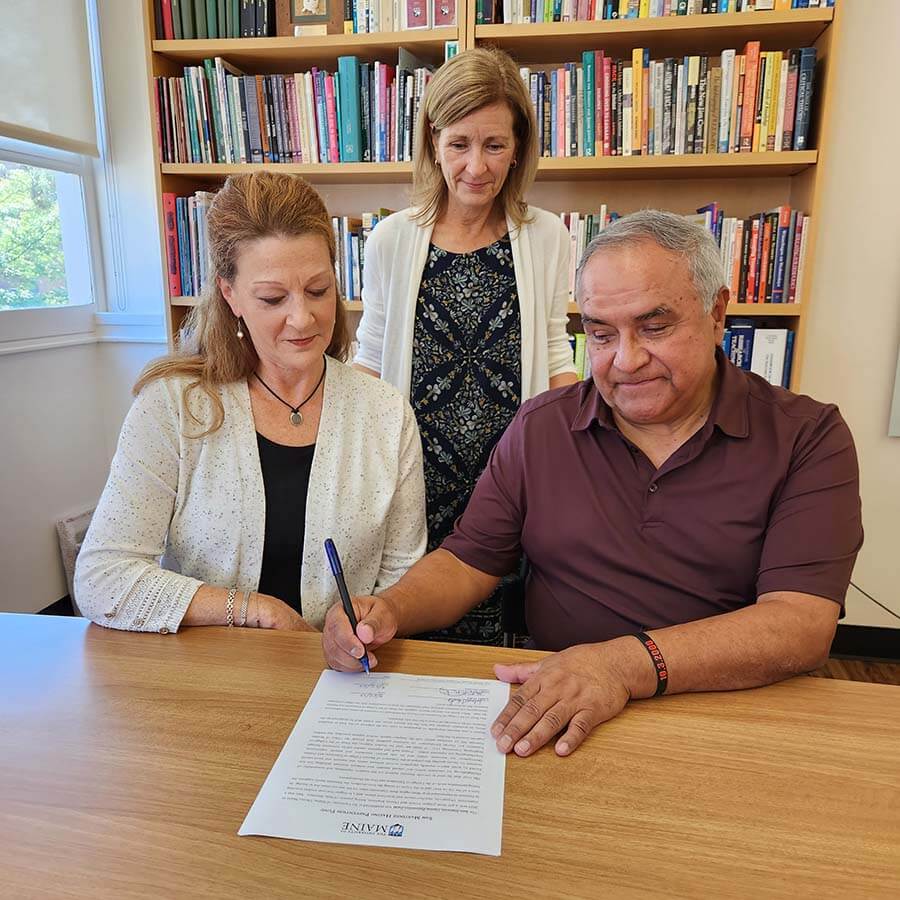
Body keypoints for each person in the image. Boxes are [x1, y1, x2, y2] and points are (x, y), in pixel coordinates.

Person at [323, 209, 863, 757]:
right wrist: (389, 609)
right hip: (557, 708)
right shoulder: (542, 427)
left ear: (717, 313)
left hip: (729, 716)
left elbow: (800, 624)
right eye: (602, 335)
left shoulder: (807, 437)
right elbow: (468, 561)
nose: (626, 360)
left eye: (654, 327)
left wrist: (621, 665)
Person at [75, 171, 426, 634]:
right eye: (273, 298)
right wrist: (254, 610)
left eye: (318, 290)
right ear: (230, 294)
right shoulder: (175, 407)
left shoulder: (386, 414)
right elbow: (101, 577)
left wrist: (371, 621)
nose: (302, 318)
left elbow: (402, 580)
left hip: (341, 672)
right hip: (212, 669)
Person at [354, 47, 578, 646]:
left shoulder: (547, 236)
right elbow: (369, 359)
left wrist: (579, 460)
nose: (476, 166)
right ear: (433, 143)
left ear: (519, 147)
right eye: (459, 144)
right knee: (410, 628)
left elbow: (557, 355)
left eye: (495, 145)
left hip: (511, 480)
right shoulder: (391, 239)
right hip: (416, 477)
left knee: (509, 646)